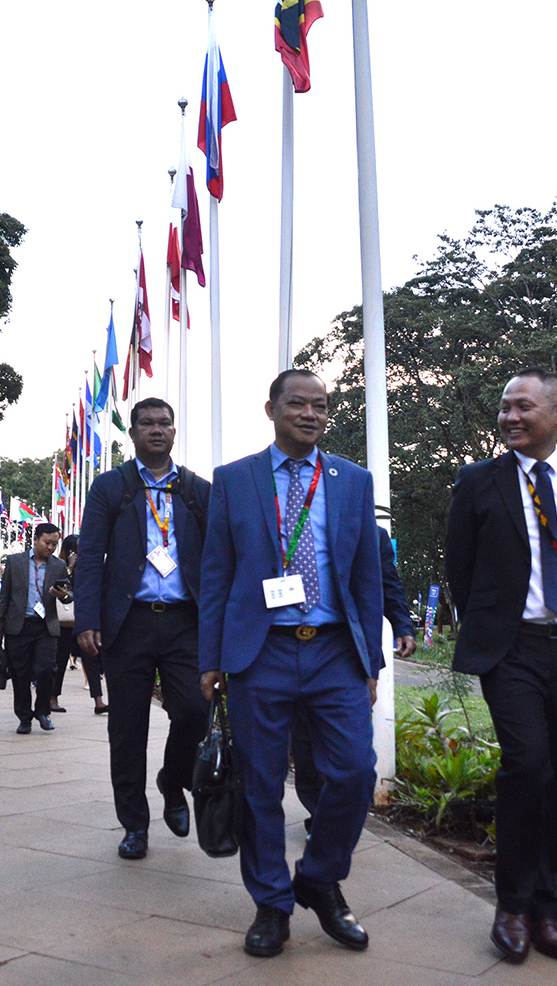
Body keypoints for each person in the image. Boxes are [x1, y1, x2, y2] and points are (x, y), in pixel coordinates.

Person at [199, 370, 386, 958]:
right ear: (272, 409)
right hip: (263, 651)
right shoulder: (234, 480)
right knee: (258, 784)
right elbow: (217, 574)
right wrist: (211, 658)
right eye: (298, 404)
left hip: (334, 649)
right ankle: (271, 905)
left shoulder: (352, 480)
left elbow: (365, 575)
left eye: (320, 405)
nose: (310, 413)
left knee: (356, 770)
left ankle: (319, 878)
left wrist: (371, 662)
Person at [444, 368, 557, 964]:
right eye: (506, 407)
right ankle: (510, 906)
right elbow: (459, 567)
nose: (511, 417)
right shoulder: (478, 482)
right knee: (528, 764)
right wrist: (490, 626)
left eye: (525, 408)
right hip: (511, 651)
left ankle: (546, 909)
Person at [76, 397, 211, 860]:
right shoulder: (111, 487)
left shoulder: (197, 491)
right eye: (147, 423)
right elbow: (90, 557)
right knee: (127, 729)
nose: (157, 430)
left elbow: (218, 562)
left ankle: (173, 783)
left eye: (165, 423)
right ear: (131, 434)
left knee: (195, 712)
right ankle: (134, 824)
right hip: (128, 623)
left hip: (184, 623)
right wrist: (88, 619)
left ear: (175, 432)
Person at [292, 525, 416, 830]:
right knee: (305, 742)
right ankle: (319, 817)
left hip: (350, 652)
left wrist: (402, 626)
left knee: (349, 744)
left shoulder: (372, 536)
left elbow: (389, 587)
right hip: (294, 646)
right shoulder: (293, 527)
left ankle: (337, 810)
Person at [0, 524, 71, 734]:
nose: (51, 548)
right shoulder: (15, 562)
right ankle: (24, 717)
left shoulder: (58, 565)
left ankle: (43, 711)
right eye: (47, 543)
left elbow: (69, 594)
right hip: (19, 627)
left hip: (46, 627)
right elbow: (5, 596)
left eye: (55, 544)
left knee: (46, 669)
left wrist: (62, 595)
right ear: (35, 539)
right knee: (21, 674)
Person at [49, 536, 107, 715]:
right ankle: (53, 698)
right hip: (66, 623)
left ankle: (98, 701)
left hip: (84, 620)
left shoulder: (90, 567)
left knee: (91, 660)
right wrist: (70, 568)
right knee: (59, 660)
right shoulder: (59, 567)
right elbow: (60, 589)